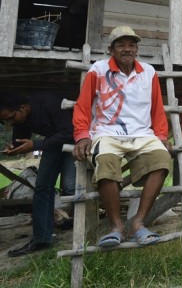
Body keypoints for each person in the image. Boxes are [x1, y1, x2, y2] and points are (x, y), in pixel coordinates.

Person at [72, 26, 172, 248]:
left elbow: (157, 108)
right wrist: (81, 135)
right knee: (106, 161)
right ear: (111, 49)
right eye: (121, 45)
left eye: (132, 45)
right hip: (107, 133)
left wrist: (162, 136)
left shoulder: (148, 72)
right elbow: (82, 105)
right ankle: (116, 227)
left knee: (162, 159)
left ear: (137, 49)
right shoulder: (98, 70)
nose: (127, 49)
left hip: (142, 134)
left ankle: (138, 222)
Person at [2, 91, 76, 256]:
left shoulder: (50, 102)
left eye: (11, 118)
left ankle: (85, 227)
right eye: (5, 121)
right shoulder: (20, 118)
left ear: (22, 107)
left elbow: (68, 132)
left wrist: (36, 144)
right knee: (42, 187)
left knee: (71, 187)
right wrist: (13, 148)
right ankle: (42, 238)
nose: (10, 123)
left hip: (75, 140)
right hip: (53, 143)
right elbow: (20, 139)